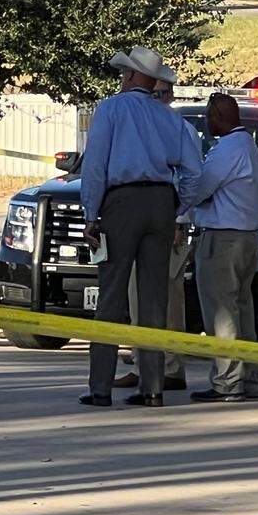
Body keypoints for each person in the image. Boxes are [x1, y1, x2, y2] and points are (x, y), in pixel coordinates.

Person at [79, 46, 201, 408]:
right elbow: (193, 172)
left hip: (122, 203)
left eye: (123, 73)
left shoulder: (111, 109)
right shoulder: (171, 118)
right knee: (154, 298)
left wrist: (90, 214)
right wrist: (177, 205)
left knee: (112, 293)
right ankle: (153, 387)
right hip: (162, 202)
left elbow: (96, 164)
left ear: (131, 76)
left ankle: (101, 387)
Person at [116, 76, 203, 391]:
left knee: (168, 300)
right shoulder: (142, 129)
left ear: (169, 95)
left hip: (170, 224)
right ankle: (142, 364)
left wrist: (180, 217)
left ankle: (171, 367)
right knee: (137, 298)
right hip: (142, 222)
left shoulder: (181, 129)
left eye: (159, 94)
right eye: (150, 93)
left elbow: (192, 177)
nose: (153, 99)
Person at [189, 93, 258, 402]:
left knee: (220, 311)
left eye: (210, 117)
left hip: (223, 239)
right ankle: (250, 378)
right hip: (248, 238)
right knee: (242, 310)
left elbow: (201, 189)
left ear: (220, 117)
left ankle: (226, 381)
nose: (208, 123)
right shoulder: (249, 147)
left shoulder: (226, 150)